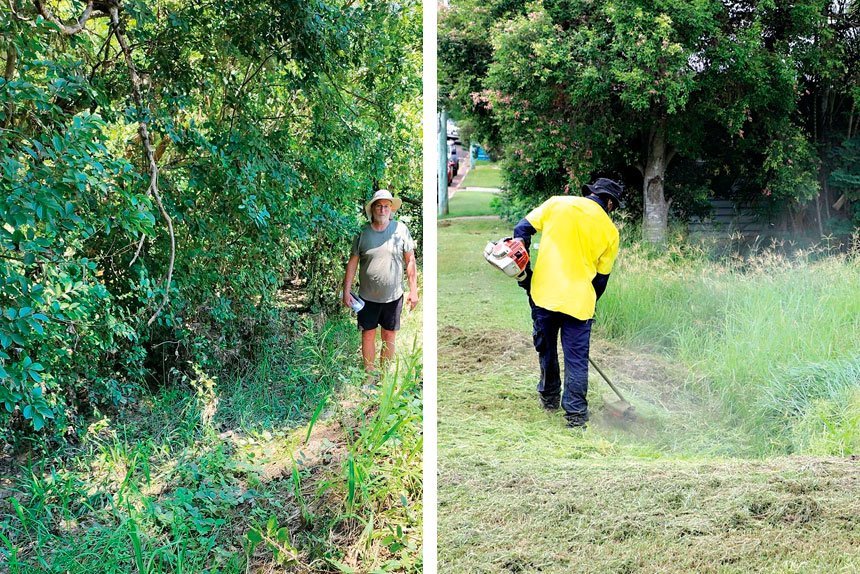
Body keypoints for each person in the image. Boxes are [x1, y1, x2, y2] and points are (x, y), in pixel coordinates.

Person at [513, 178, 623, 429]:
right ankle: (575, 415)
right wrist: (587, 300)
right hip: (579, 302)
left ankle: (550, 397)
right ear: (608, 202)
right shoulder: (610, 231)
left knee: (547, 348)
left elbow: (522, 230)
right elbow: (601, 281)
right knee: (576, 359)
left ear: (591, 193)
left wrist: (524, 271)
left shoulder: (557, 204)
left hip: (543, 295)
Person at [342, 189, 419, 379]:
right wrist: (346, 290)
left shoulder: (400, 230)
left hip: (393, 295)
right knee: (368, 334)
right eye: (378, 206)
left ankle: (385, 378)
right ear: (372, 209)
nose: (382, 210)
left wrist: (414, 290)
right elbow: (353, 262)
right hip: (367, 297)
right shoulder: (362, 232)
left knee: (389, 335)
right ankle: (369, 376)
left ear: (391, 209)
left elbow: (410, 260)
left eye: (386, 206)